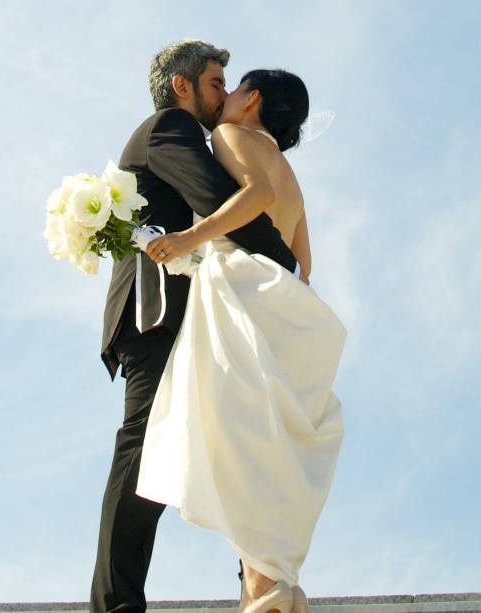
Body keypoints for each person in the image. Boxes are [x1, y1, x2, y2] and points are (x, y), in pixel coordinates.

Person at [91, 41, 299, 613]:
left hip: (195, 317)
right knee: (142, 456)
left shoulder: (198, 136)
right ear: (182, 87)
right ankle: (116, 605)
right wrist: (286, 266)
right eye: (214, 82)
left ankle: (260, 590)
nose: (222, 93)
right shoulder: (166, 130)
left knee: (230, 443)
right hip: (157, 313)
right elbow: (215, 197)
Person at [135, 69, 346, 613]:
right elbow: (303, 257)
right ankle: (271, 575)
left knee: (231, 431)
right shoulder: (290, 170)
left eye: (230, 90)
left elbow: (256, 196)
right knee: (264, 438)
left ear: (251, 100)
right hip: (288, 302)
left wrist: (188, 237)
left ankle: (263, 583)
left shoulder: (231, 137)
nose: (222, 98)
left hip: (243, 288)